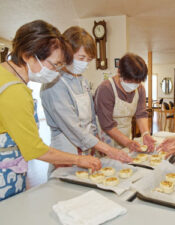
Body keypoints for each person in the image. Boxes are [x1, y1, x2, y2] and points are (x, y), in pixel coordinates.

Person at [0, 20, 101, 200]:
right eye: (54, 65)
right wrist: (79, 159)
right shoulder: (14, 90)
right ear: (28, 55)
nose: (56, 71)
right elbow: (35, 149)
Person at [40, 26, 131, 175]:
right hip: (66, 149)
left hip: (87, 146)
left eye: (88, 60)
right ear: (66, 52)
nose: (84, 63)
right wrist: (108, 149)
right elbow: (72, 128)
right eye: (81, 58)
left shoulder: (81, 80)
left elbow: (91, 116)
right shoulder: (54, 83)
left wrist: (96, 141)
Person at [94, 53, 155, 152]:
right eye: (130, 82)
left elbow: (141, 114)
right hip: (106, 138)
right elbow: (107, 124)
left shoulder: (140, 89)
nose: (134, 85)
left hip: (126, 136)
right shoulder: (106, 89)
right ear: (119, 73)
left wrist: (145, 134)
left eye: (137, 82)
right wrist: (127, 142)